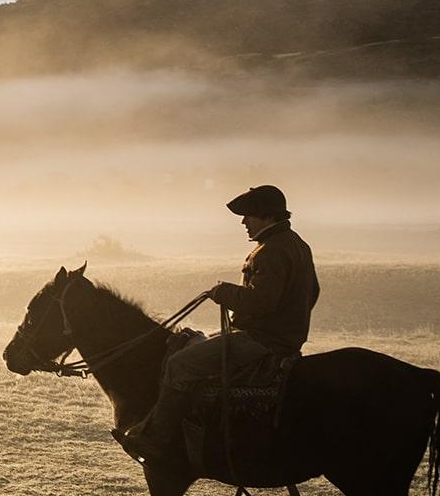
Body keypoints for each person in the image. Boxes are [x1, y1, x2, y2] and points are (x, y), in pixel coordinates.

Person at [117, 184, 319, 463]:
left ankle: (154, 439)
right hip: (281, 337)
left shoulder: (270, 251)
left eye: (248, 215)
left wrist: (225, 293)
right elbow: (313, 293)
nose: (243, 221)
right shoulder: (297, 245)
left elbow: (261, 301)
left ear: (266, 215)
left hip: (262, 340)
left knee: (180, 364)